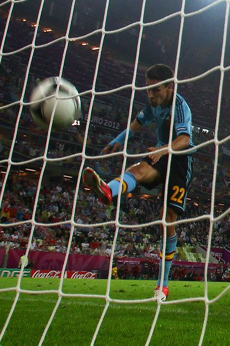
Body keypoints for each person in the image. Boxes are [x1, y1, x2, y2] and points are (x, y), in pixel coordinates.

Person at [82, 64, 194, 301]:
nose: (150, 94)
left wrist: (164, 149)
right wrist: (118, 139)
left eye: (155, 89)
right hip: (160, 154)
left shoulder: (180, 106)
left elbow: (185, 139)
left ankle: (163, 285)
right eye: (148, 89)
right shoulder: (153, 104)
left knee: (167, 221)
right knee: (137, 170)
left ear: (169, 87)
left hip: (180, 161)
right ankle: (108, 190)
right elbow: (138, 122)